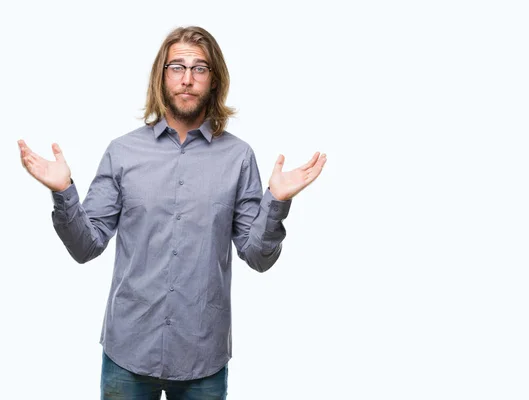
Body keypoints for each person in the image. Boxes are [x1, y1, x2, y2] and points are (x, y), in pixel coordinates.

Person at [18, 26, 326, 400]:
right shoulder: (123, 153)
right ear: (161, 77)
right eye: (177, 66)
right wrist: (63, 191)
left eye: (200, 69)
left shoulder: (239, 157)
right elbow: (87, 247)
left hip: (202, 354)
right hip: (128, 350)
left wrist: (276, 201)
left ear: (214, 81)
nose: (187, 78)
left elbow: (257, 257)